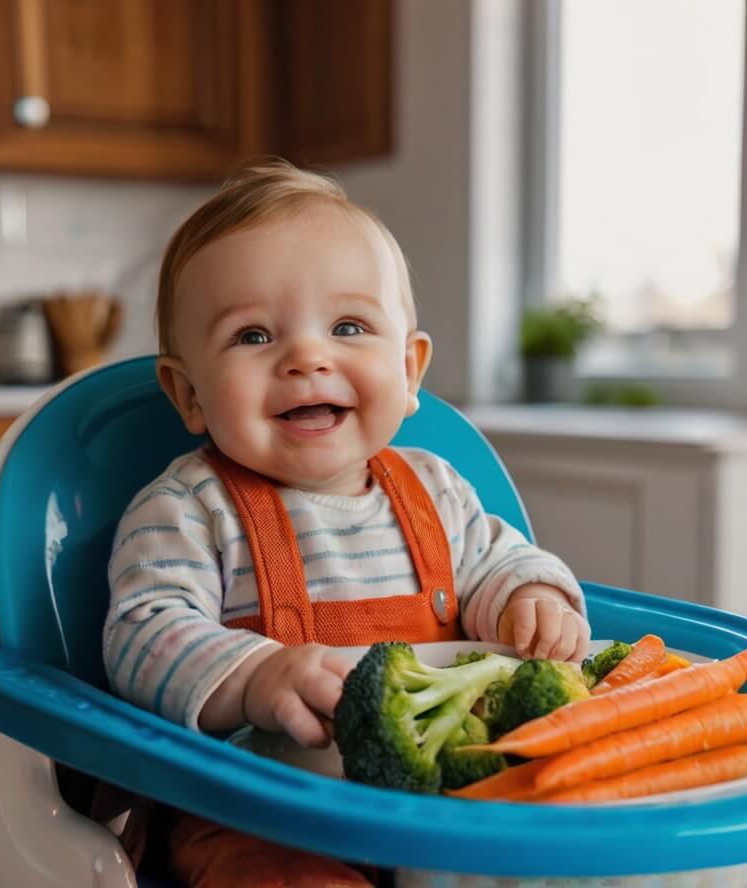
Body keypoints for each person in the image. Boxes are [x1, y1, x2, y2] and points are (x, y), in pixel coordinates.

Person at [104, 159, 590, 887]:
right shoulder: (186, 507)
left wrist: (533, 603)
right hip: (256, 812)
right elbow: (141, 631)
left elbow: (499, 564)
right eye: (253, 337)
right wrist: (253, 674)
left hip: (443, 802)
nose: (307, 356)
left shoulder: (437, 490)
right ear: (190, 393)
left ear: (410, 369)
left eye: (348, 326)